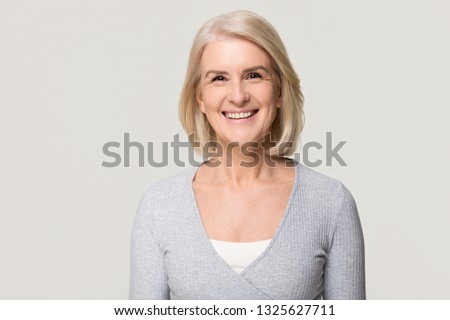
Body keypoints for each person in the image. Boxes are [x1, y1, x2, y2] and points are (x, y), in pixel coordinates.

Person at [129, 10, 365, 300]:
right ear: (200, 98)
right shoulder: (159, 206)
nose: (238, 95)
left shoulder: (331, 202)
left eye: (254, 75)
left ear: (279, 91)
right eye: (219, 78)